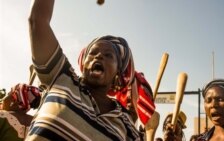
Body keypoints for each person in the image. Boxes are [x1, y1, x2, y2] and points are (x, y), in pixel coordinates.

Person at [26, 0, 142, 140]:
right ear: (84, 63)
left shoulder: (126, 125)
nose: (99, 56)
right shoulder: (61, 78)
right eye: (92, 53)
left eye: (108, 55)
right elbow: (37, 21)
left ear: (117, 73)